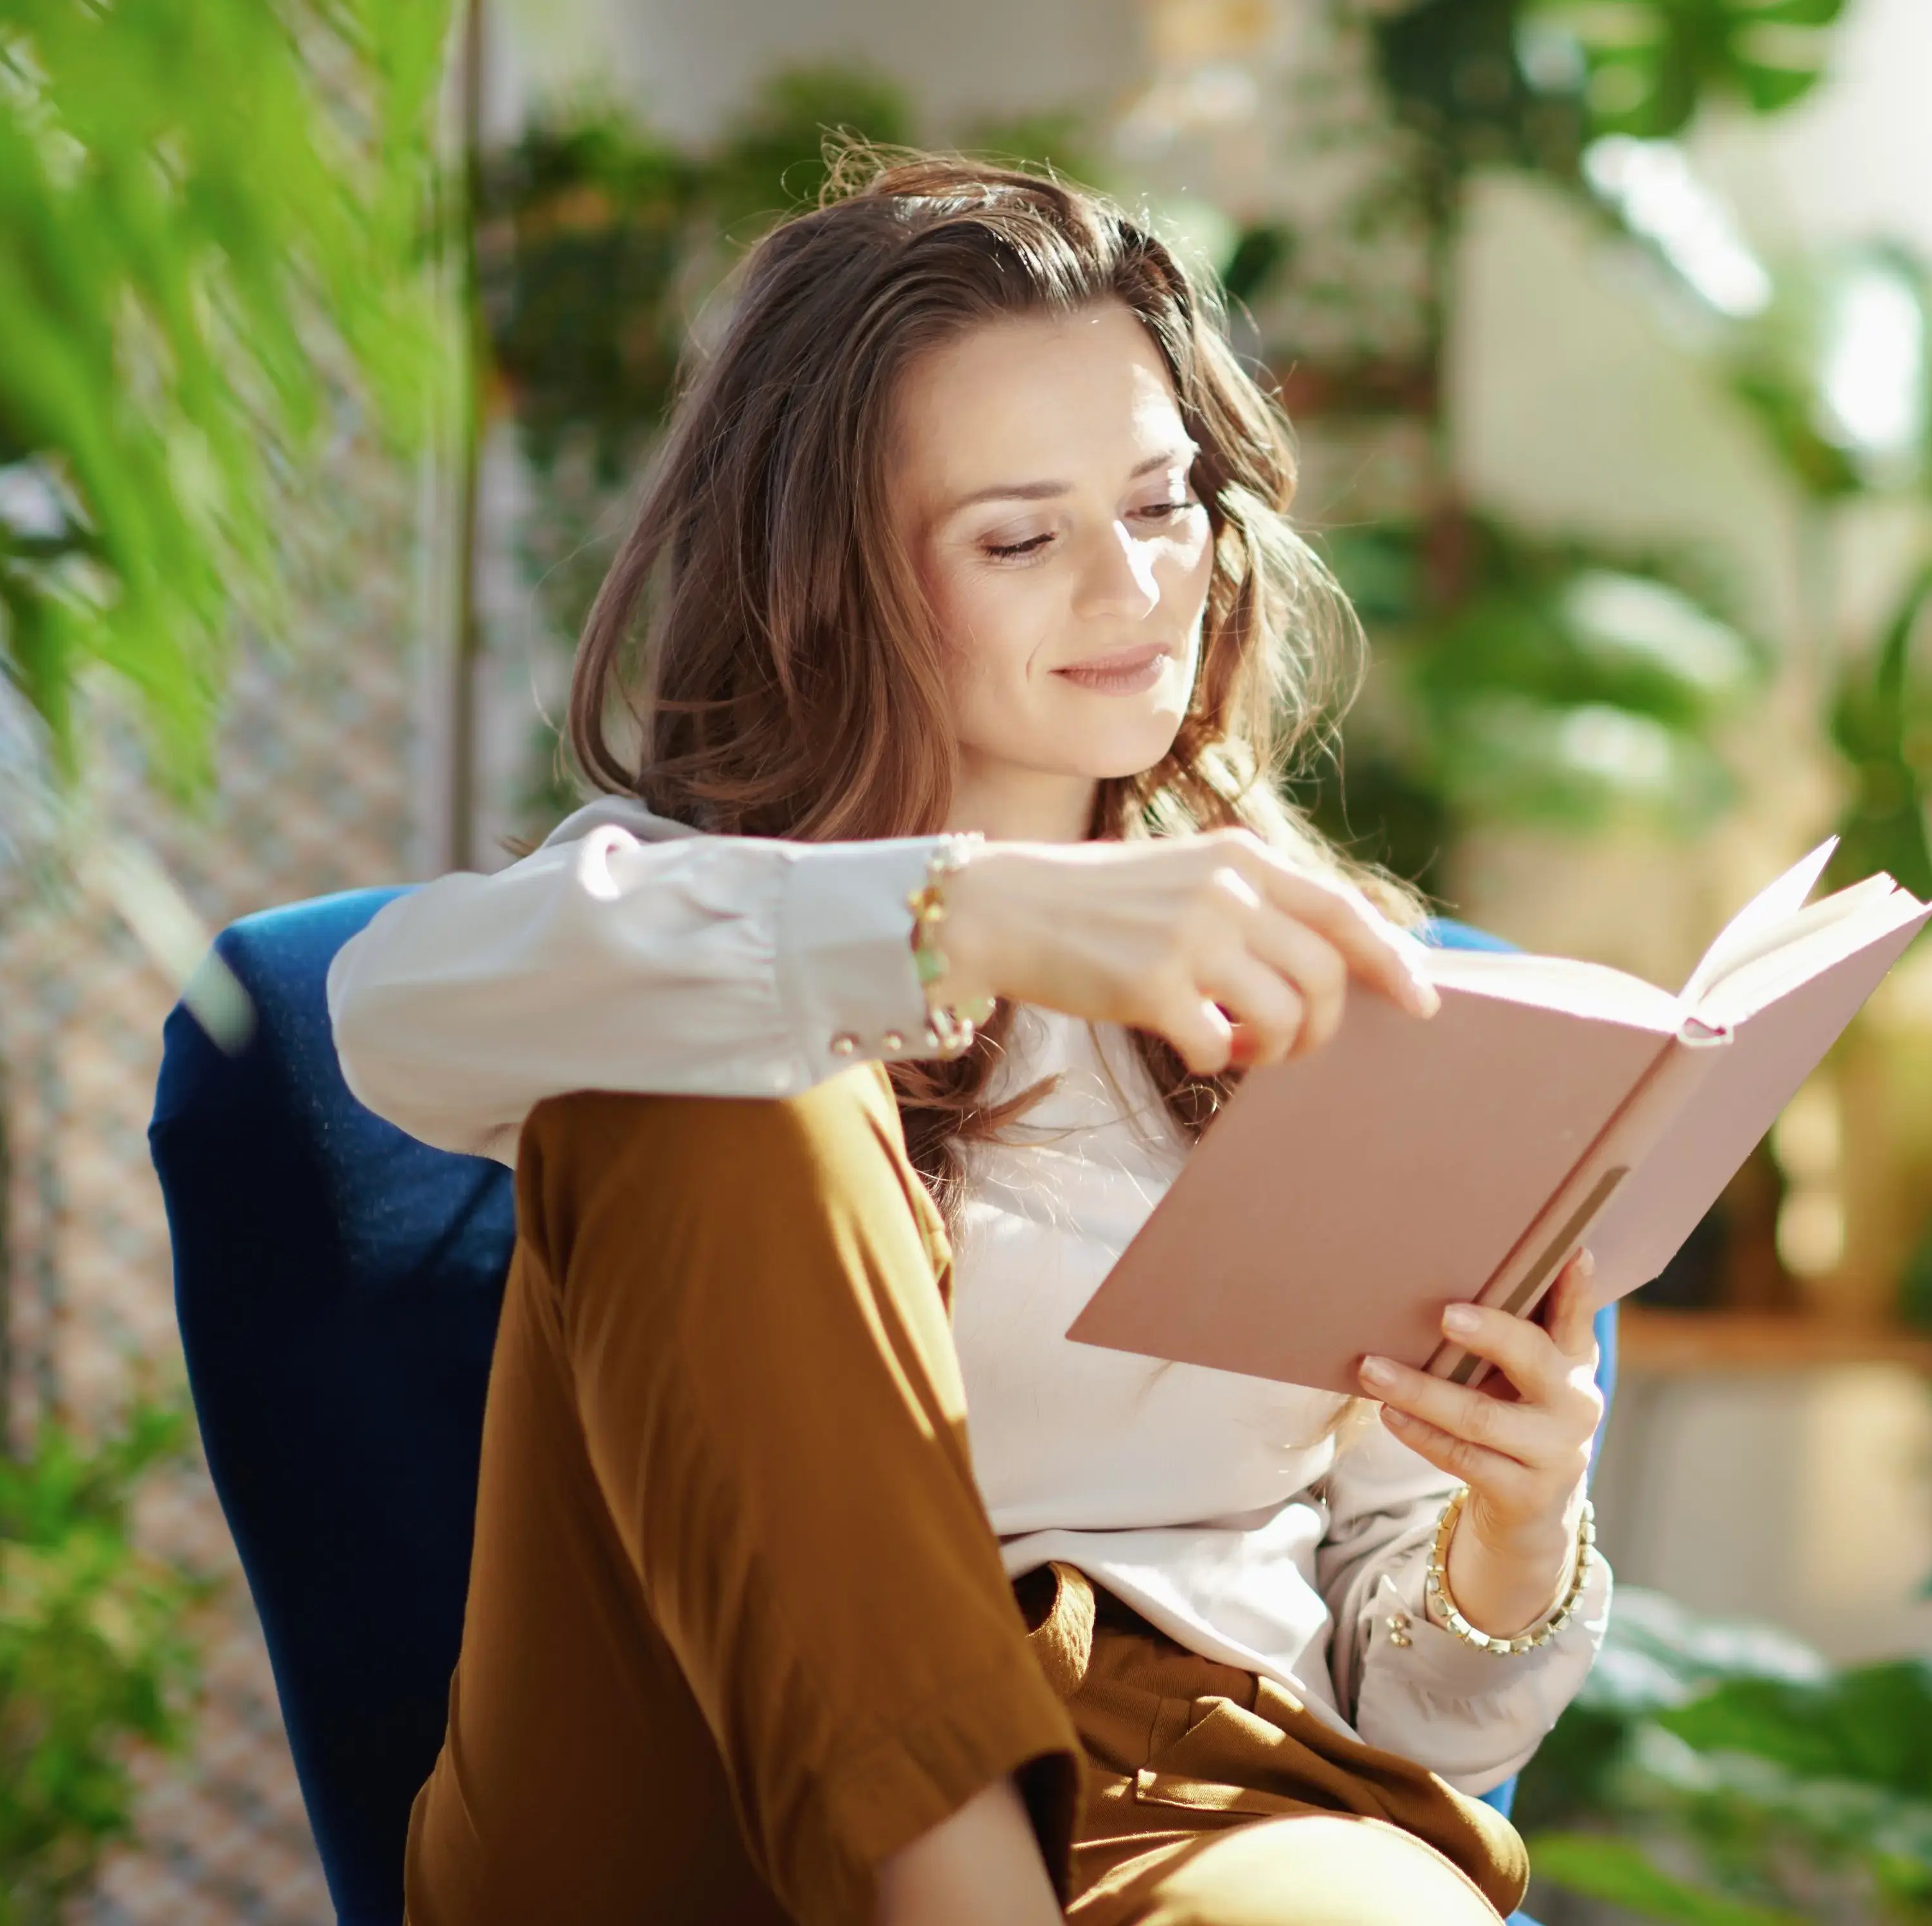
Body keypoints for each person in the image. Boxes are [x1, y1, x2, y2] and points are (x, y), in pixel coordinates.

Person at [326, 153, 1619, 1926]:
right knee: (718, 1077)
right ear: (839, 581)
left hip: (1182, 1785)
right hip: (675, 1777)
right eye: (1022, 537)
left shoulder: (1328, 983)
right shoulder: (694, 916)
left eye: (1161, 504)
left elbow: (1417, 1721)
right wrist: (968, 918)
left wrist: (1514, 1532)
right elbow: (386, 1010)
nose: (1133, 585)